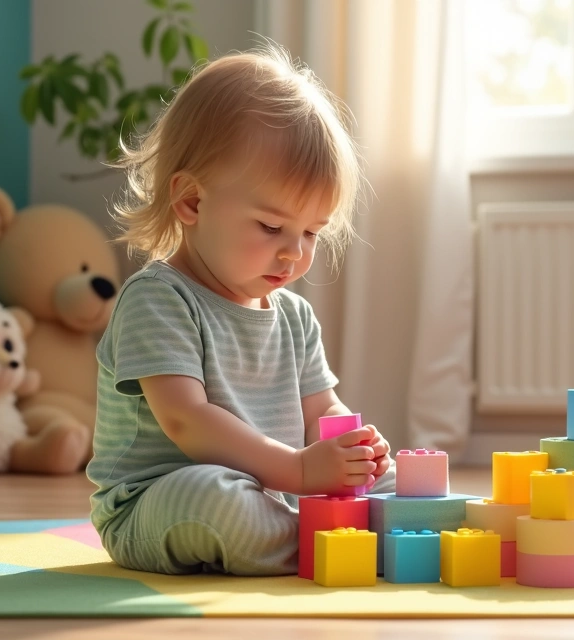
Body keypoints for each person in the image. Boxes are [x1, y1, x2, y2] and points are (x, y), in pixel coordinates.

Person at [86, 42, 395, 576]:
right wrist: (298, 470)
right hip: (155, 502)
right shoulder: (158, 298)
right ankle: (331, 540)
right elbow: (187, 420)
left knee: (390, 480)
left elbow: (322, 410)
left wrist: (356, 446)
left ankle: (369, 528)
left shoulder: (295, 317)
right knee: (215, 497)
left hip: (273, 491)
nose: (294, 252)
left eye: (311, 232)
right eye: (272, 227)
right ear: (191, 201)